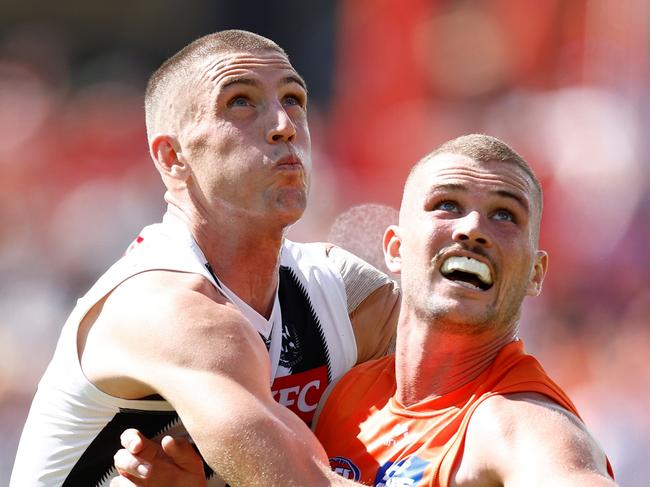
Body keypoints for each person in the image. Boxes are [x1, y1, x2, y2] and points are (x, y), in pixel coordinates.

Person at [10, 30, 399, 487]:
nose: (284, 124)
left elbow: (480, 387)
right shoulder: (166, 307)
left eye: (293, 99)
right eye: (241, 102)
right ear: (173, 156)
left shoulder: (345, 292)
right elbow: (300, 481)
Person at [113, 134, 617, 486]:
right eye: (446, 205)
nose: (472, 228)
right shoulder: (347, 391)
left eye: (505, 215)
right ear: (395, 249)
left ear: (535, 274)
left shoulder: (520, 424)